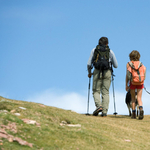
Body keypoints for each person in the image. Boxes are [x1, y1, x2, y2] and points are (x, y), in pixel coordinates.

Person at [87, 37, 118, 117]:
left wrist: (90, 73)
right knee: (105, 92)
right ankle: (104, 112)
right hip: (107, 72)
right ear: (107, 43)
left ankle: (99, 106)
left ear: (99, 43)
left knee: (96, 91)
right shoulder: (110, 51)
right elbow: (116, 65)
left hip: (97, 71)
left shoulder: (94, 50)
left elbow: (89, 64)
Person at [125, 50, 146, 119]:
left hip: (132, 83)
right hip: (140, 83)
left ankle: (133, 114)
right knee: (139, 98)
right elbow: (144, 74)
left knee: (133, 98)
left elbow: (127, 75)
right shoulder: (141, 64)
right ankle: (140, 109)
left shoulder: (129, 64)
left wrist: (126, 85)